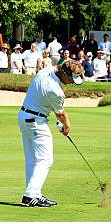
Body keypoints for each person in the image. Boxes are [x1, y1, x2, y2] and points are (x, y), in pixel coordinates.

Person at [17, 59, 84, 207]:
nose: (73, 82)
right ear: (65, 74)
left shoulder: (46, 71)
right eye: (72, 78)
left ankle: (34, 193)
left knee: (32, 159)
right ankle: (30, 195)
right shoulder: (56, 91)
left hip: (24, 116)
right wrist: (67, 127)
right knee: (46, 159)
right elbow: (60, 115)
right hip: (36, 121)